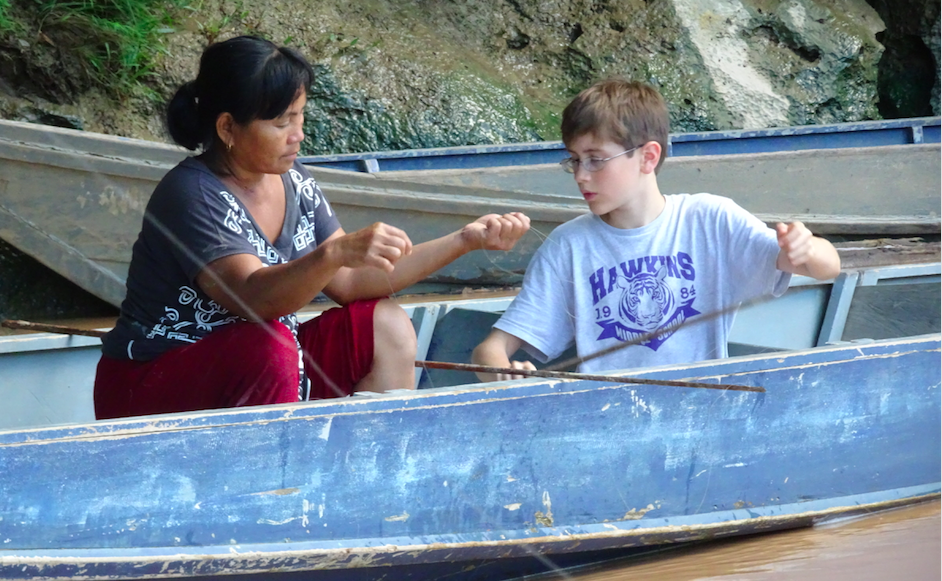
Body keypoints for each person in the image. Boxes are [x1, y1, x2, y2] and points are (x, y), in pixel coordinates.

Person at [93, 35, 530, 419]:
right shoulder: (191, 193)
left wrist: (466, 239)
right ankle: (274, 488)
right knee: (271, 344)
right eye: (281, 121)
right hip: (151, 385)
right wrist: (334, 253)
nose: (297, 134)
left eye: (300, 116)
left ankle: (369, 474)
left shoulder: (295, 180)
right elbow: (253, 299)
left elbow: (353, 282)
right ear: (227, 127)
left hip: (268, 375)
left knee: (385, 324)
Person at [471, 78, 840, 381]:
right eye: (574, 160)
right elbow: (489, 350)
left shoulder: (710, 218)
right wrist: (503, 373)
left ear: (648, 156)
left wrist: (808, 249)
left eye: (596, 160)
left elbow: (827, 267)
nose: (582, 175)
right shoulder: (568, 246)